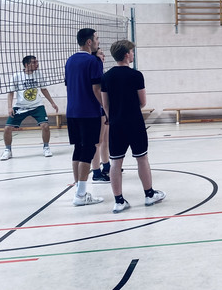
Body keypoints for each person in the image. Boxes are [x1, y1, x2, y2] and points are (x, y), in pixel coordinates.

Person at [101, 40, 164, 214]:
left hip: (116, 124)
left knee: (115, 162)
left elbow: (105, 105)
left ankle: (119, 201)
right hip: (134, 122)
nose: (133, 54)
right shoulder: (136, 75)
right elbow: (143, 102)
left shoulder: (106, 77)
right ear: (127, 54)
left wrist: (113, 116)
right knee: (142, 158)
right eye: (131, 51)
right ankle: (149, 195)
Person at [65, 28, 105, 206]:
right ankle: (80, 195)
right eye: (96, 39)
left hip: (72, 112)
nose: (98, 41)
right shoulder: (93, 61)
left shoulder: (70, 60)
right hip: (88, 112)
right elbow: (96, 89)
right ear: (89, 42)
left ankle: (79, 191)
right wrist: (106, 107)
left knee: (78, 150)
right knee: (88, 150)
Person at [1, 56, 59, 161]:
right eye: (34, 62)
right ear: (27, 65)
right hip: (20, 106)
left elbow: (44, 89)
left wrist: (52, 103)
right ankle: (7, 150)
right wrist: (9, 107)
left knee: (45, 126)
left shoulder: (38, 74)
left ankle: (46, 147)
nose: (37, 64)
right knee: (7, 128)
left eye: (37, 62)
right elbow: (10, 92)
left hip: (37, 106)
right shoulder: (17, 76)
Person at [90, 48, 111, 183]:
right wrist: (104, 106)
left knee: (105, 140)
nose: (103, 56)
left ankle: (107, 165)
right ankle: (96, 172)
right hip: (97, 109)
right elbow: (96, 89)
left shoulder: (100, 70)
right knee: (97, 142)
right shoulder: (94, 67)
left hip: (103, 109)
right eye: (100, 53)